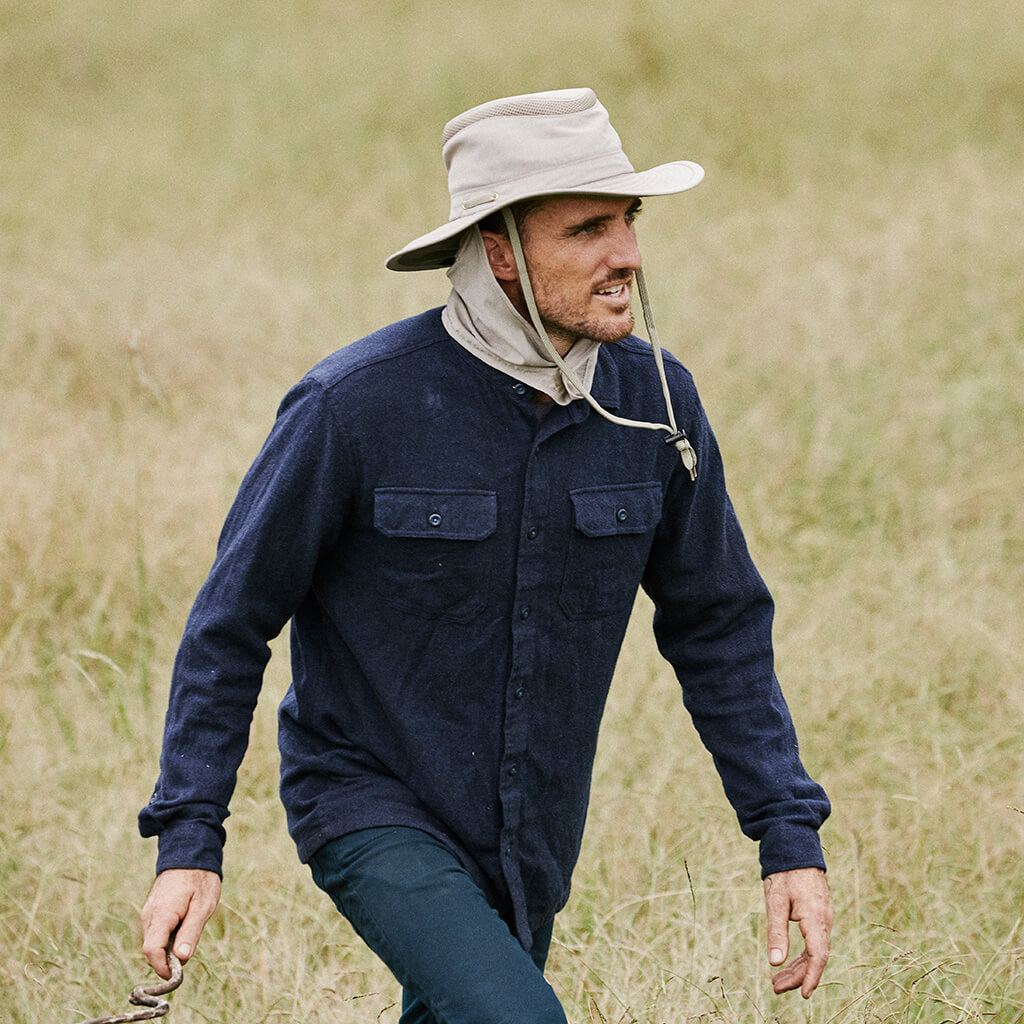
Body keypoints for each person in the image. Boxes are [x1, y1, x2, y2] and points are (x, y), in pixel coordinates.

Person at [139, 88, 833, 1022]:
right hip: (368, 800)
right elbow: (230, 625)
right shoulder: (353, 406)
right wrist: (190, 837)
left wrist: (787, 835)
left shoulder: (659, 403)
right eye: (586, 228)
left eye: (627, 220)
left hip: (535, 826)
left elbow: (720, 623)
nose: (626, 252)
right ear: (499, 250)